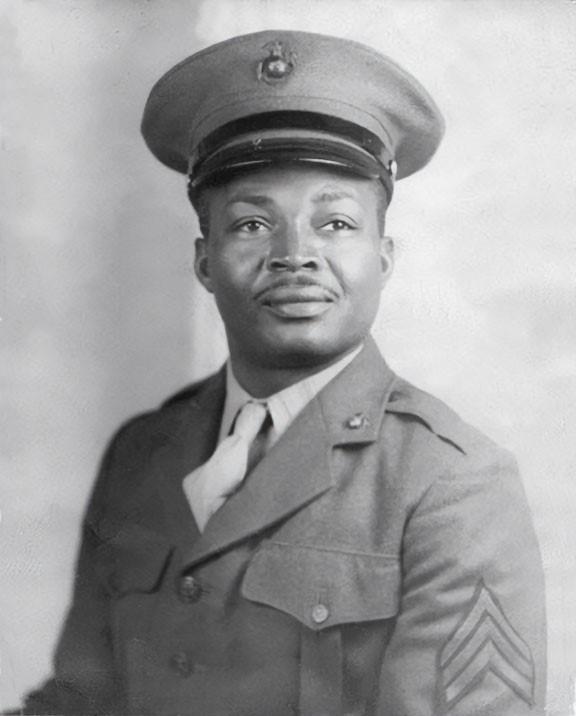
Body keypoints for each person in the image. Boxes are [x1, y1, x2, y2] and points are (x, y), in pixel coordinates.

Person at [17, 30, 545, 716]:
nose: (295, 254)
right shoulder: (141, 456)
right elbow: (79, 701)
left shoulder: (451, 483)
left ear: (383, 256)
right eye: (252, 224)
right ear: (204, 261)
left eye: (334, 223)